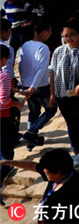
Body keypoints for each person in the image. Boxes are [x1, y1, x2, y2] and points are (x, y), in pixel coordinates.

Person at [0, 148, 79, 223]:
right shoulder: (69, 172)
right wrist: (6, 162)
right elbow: (32, 166)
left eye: (47, 173)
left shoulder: (60, 199)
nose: (45, 175)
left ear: (58, 172)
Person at [49, 22, 79, 168]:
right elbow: (52, 72)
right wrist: (52, 94)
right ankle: (74, 150)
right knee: (71, 123)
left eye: (72, 35)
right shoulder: (58, 51)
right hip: (62, 94)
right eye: (65, 36)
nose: (69, 38)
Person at [18, 23, 56, 149]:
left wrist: (24, 84)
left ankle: (31, 140)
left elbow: (20, 65)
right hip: (40, 85)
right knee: (51, 109)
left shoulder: (25, 45)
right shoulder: (43, 47)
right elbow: (41, 68)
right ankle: (31, 133)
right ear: (44, 32)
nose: (50, 34)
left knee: (33, 111)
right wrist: (34, 86)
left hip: (26, 84)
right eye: (49, 31)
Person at [1, 44, 25, 182]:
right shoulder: (3, 76)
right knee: (6, 148)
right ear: (4, 59)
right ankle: (4, 173)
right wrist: (17, 104)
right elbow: (4, 100)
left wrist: (19, 92)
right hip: (3, 116)